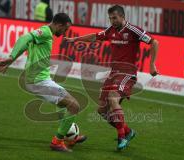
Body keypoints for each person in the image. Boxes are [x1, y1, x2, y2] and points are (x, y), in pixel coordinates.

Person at [65, 5, 159, 150]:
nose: (112, 21)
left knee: (113, 98)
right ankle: (128, 131)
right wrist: (75, 40)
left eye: (114, 17)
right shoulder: (111, 31)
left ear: (122, 16)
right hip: (114, 73)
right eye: (110, 18)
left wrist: (152, 65)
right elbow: (95, 36)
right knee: (102, 111)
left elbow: (154, 42)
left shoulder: (133, 30)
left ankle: (121, 137)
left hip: (128, 72)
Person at [0, 13, 86, 152]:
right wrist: (11, 57)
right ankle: (57, 142)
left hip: (40, 79)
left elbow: (26, 44)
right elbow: (24, 38)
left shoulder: (42, 32)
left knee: (63, 104)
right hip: (38, 81)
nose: (64, 32)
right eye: (65, 29)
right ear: (59, 25)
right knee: (74, 106)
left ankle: (69, 136)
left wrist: (11, 60)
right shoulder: (45, 33)